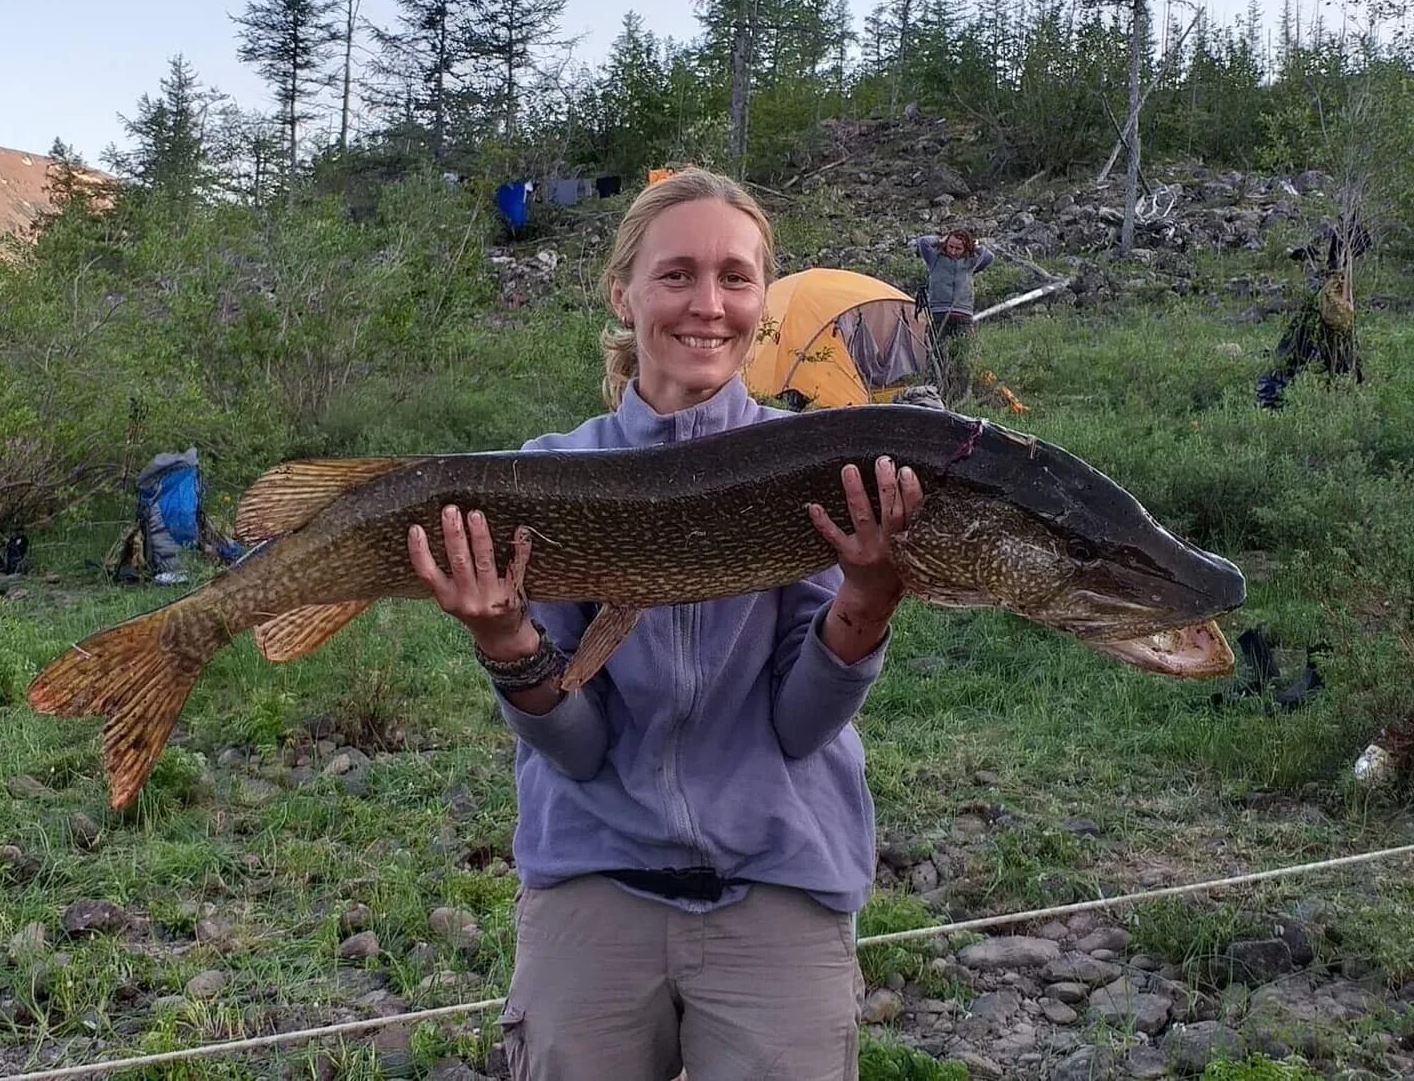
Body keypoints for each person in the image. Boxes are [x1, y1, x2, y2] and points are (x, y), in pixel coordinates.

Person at [405, 167, 925, 1080]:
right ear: (623, 291)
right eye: (676, 274)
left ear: (763, 302)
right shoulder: (544, 474)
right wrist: (509, 647)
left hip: (779, 878)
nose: (707, 304)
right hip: (594, 878)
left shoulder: (811, 461)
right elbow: (575, 747)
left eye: (735, 277)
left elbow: (798, 725)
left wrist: (865, 604)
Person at [913, 228, 994, 404]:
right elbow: (923, 242)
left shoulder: (970, 262)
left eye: (959, 249)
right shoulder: (934, 258)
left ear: (966, 249)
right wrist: (941, 240)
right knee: (937, 354)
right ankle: (933, 392)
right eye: (951, 247)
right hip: (939, 313)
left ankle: (960, 394)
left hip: (963, 313)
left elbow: (988, 257)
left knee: (963, 354)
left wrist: (975, 246)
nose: (954, 251)